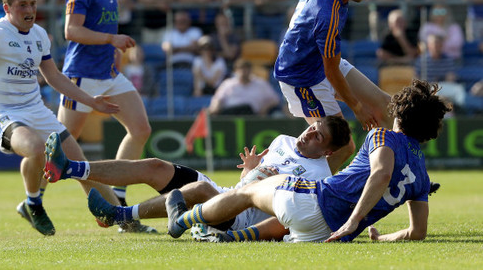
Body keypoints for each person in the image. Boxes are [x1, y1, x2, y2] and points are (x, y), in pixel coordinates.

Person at [166, 79, 451, 243]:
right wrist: (380, 239)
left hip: (317, 206)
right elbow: (418, 232)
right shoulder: (422, 175)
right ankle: (230, 238)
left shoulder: (383, 136)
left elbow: (381, 175)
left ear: (399, 112)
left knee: (249, 190)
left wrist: (353, 222)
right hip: (326, 235)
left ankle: (183, 219)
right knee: (276, 204)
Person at [0, 0, 121, 236]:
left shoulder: (40, 34)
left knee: (82, 166)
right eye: (22, 4)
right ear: (7, 8)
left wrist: (90, 101)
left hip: (36, 111)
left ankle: (125, 220)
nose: (30, 10)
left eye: (32, 3)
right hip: (2, 114)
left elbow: (53, 76)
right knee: (35, 148)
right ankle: (33, 203)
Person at [44, 116, 352, 232]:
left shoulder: (318, 177)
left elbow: (286, 215)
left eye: (318, 137)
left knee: (202, 192)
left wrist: (247, 235)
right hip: (227, 190)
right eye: (312, 127)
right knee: (155, 166)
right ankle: (68, 168)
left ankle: (119, 214)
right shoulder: (282, 140)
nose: (309, 134)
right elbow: (255, 178)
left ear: (326, 151)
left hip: (238, 216)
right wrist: (251, 169)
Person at [58, 0, 153, 233]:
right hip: (82, 76)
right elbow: (71, 31)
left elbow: (106, 29)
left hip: (109, 74)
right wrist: (112, 38)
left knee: (140, 129)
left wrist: (116, 52)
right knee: (62, 144)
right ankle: (33, 198)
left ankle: (119, 198)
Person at [257, 0, 392, 133]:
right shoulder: (328, 17)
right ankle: (276, 165)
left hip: (320, 63)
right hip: (301, 77)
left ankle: (395, 163)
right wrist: (357, 108)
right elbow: (332, 72)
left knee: (386, 106)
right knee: (340, 145)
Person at [209, 58, 280, 116]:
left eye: (246, 68)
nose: (243, 71)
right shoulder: (227, 84)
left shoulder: (261, 84)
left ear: (250, 70)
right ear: (235, 71)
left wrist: (265, 108)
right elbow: (217, 99)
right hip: (230, 115)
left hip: (253, 116)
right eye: (241, 69)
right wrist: (215, 107)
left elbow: (275, 100)